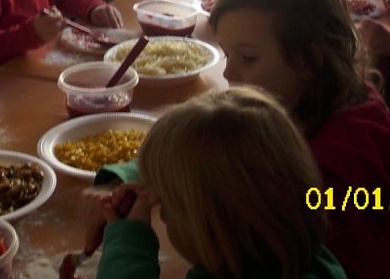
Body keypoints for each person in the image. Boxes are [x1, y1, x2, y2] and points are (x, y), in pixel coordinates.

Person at [86, 0, 390, 279]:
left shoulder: (330, 173)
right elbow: (209, 136)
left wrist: (129, 244)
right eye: (229, 54)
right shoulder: (329, 95)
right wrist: (129, 176)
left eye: (248, 57)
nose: (229, 73)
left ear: (307, 59)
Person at [94, 86, 347, 279]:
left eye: (168, 207)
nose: (164, 217)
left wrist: (128, 242)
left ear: (213, 224)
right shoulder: (314, 261)